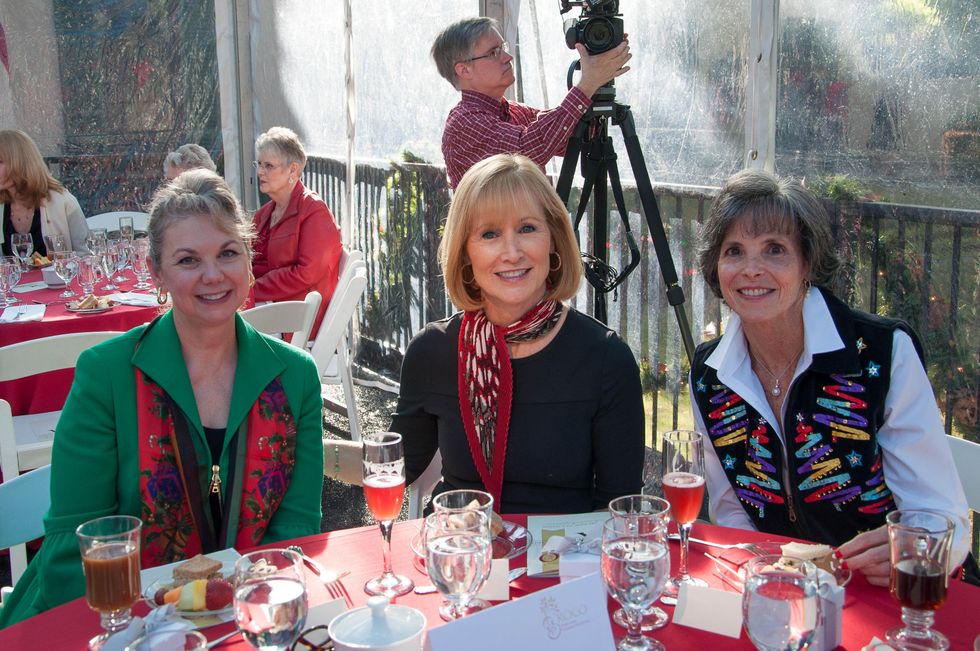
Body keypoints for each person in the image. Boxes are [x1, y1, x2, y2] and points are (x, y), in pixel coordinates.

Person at [0, 170, 324, 627]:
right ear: (157, 272)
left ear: (250, 261)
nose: (213, 275)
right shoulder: (106, 374)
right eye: (188, 260)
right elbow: (73, 551)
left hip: (245, 619)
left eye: (228, 253)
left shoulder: (296, 377)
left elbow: (296, 532)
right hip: (111, 619)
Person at [689, 168, 970, 586]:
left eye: (774, 249)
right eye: (734, 251)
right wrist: (760, 580)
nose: (751, 269)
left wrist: (911, 546)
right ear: (716, 266)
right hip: (787, 592)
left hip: (903, 593)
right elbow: (733, 511)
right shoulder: (710, 375)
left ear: (808, 263)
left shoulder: (881, 351)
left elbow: (940, 516)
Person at [326, 154, 644, 513]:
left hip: (564, 561)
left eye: (527, 228)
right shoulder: (433, 351)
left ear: (554, 240)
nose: (511, 252)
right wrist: (309, 448)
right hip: (458, 554)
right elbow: (398, 466)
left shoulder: (606, 359)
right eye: (489, 234)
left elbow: (621, 509)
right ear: (465, 254)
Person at [432, 17, 631, 189]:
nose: (507, 57)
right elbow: (528, 151)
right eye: (493, 52)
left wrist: (602, 63)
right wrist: (588, 83)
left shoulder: (513, 111)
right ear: (464, 70)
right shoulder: (464, 123)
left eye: (503, 48)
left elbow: (568, 137)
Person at [251, 126, 341, 338]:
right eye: (259, 164)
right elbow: (255, 263)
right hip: (274, 307)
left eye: (269, 166)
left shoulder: (313, 210)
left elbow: (307, 273)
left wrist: (252, 291)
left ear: (293, 170)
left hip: (299, 319)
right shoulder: (265, 213)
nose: (260, 172)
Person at [0, 129, 90, 256]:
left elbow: (87, 256)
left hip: (61, 276)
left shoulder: (63, 202)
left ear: (20, 163)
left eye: (0, 162)